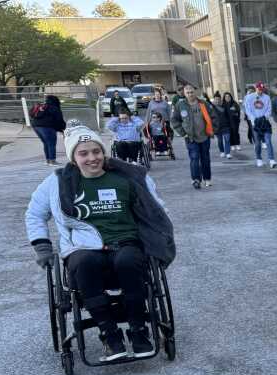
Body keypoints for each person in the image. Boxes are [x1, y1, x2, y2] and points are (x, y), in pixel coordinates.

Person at [24, 122, 175, 360]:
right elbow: (35, 213)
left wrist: (160, 235)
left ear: (104, 152)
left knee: (129, 261)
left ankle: (139, 331)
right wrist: (41, 245)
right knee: (83, 263)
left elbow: (157, 209)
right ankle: (110, 334)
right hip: (83, 247)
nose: (92, 158)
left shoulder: (128, 177)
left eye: (97, 151)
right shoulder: (57, 182)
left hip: (126, 243)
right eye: (84, 153)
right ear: (74, 157)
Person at [170, 84, 217, 189]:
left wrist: (213, 130)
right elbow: (174, 120)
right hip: (190, 138)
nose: (190, 94)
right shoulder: (180, 105)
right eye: (188, 92)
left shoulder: (203, 103)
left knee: (205, 158)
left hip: (204, 136)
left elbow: (213, 116)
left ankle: (207, 179)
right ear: (184, 94)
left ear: (195, 92)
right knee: (194, 158)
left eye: (191, 92)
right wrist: (183, 133)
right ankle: (196, 179)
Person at [244, 82, 277, 168]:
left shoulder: (267, 97)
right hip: (255, 123)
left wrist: (264, 117)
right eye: (259, 89)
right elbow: (248, 110)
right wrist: (254, 119)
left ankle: (271, 160)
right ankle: (259, 158)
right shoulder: (249, 97)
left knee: (268, 141)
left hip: (265, 122)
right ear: (256, 88)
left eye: (262, 90)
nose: (260, 91)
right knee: (258, 143)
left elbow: (269, 109)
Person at [30, 95, 66, 165]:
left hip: (36, 127)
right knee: (51, 144)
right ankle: (52, 161)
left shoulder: (42, 106)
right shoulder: (54, 108)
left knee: (46, 143)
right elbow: (59, 120)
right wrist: (63, 129)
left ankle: (48, 160)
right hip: (47, 127)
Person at [210, 92, 232, 159]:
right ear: (214, 100)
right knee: (220, 141)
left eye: (218, 99)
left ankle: (228, 153)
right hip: (217, 127)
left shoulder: (224, 106)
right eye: (216, 99)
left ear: (220, 99)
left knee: (227, 140)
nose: (217, 100)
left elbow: (229, 115)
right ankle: (222, 151)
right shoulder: (211, 107)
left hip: (226, 126)